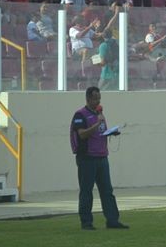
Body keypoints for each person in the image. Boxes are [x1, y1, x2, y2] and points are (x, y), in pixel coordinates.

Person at [69, 86, 128, 230]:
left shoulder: (99, 114)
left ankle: (112, 220)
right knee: (86, 191)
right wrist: (96, 124)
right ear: (88, 98)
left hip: (102, 157)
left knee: (107, 191)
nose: (98, 101)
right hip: (87, 158)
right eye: (95, 98)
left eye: (99, 98)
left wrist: (110, 132)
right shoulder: (80, 115)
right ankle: (86, 222)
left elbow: (100, 133)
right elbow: (82, 134)